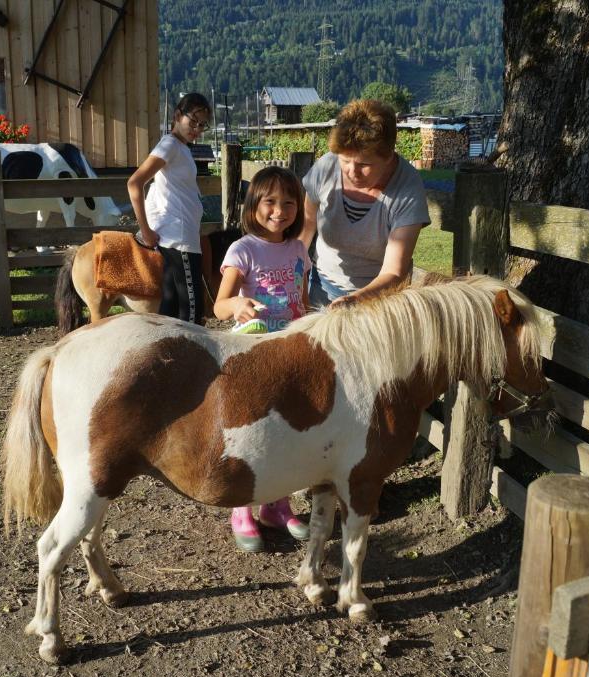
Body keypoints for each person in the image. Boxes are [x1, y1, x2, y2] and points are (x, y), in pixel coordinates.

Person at [213, 166, 311, 551]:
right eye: (270, 201)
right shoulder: (243, 250)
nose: (279, 210)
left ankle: (277, 504)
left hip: (290, 353)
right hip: (252, 355)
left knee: (288, 433)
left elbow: (299, 300)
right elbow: (220, 305)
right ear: (253, 205)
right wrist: (237, 304)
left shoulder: (299, 249)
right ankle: (242, 508)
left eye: (289, 203)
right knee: (251, 433)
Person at [300, 99, 431, 309]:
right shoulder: (325, 167)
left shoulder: (407, 187)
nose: (352, 171)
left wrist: (355, 300)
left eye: (364, 164)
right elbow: (305, 229)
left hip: (383, 299)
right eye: (344, 160)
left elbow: (394, 271)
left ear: (388, 157)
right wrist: (294, 276)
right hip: (322, 286)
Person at [127, 93, 211, 324]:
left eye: (202, 124)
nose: (196, 128)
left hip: (182, 237)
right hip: (179, 238)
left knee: (171, 310)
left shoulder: (180, 148)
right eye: (192, 121)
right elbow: (135, 183)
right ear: (177, 116)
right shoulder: (170, 144)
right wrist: (145, 230)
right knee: (191, 312)